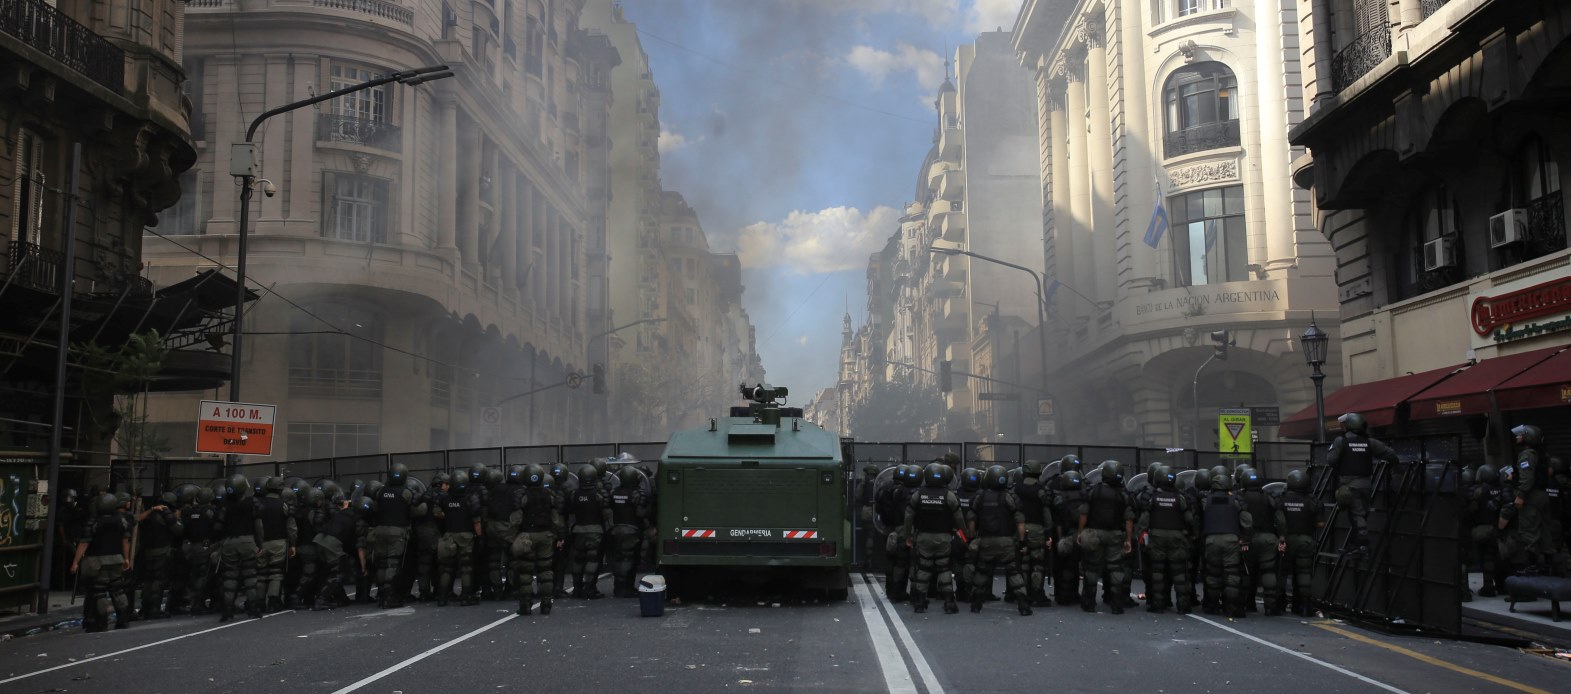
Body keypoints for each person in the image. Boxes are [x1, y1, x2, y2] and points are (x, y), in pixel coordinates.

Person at [1326, 412, 1398, 556]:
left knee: (1356, 516)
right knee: (1360, 515)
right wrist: (1396, 467)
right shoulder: (1369, 442)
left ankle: (1363, 546)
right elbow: (1390, 454)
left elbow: (1331, 460)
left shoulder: (1341, 441)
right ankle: (1355, 546)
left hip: (1350, 486)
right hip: (1366, 484)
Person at [968, 465, 1032, 616]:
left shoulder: (980, 497)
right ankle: (1023, 604)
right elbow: (1020, 521)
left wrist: (971, 538)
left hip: (986, 541)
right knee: (1014, 572)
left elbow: (971, 518)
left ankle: (976, 603)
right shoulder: (1010, 497)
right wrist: (1022, 541)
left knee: (982, 571)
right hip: (1006, 542)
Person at [903, 461, 966, 614]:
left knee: (924, 568)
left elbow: (908, 517)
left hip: (923, 537)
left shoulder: (918, 495)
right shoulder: (949, 496)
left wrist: (908, 536)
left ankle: (919, 602)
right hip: (943, 537)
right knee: (944, 568)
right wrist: (964, 534)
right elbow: (958, 518)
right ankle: (949, 602)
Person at [73, 493, 133, 631]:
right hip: (117, 559)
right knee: (118, 590)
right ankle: (123, 620)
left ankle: (101, 623)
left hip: (97, 560)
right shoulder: (121, 520)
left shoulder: (94, 521)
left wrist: (75, 562)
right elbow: (125, 540)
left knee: (99, 592)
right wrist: (126, 558)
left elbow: (84, 543)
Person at [1078, 461, 1133, 614]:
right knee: (1116, 569)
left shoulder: (1093, 491)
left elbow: (1084, 513)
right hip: (1115, 535)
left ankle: (1089, 603)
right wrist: (1128, 539)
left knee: (1092, 568)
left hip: (1094, 533)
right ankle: (1116, 604)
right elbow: (1129, 519)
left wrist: (1080, 533)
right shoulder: (1124, 495)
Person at [1138, 467, 1194, 614]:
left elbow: (1144, 520)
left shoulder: (1152, 497)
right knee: (1179, 573)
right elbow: (1189, 519)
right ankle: (1183, 605)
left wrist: (1142, 536)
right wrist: (1190, 534)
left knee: (1157, 572)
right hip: (1177, 537)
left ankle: (1157, 604)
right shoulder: (1179, 498)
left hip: (1157, 537)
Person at [1499, 424, 1553, 574]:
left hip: (1531, 496)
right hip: (1542, 495)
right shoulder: (1540, 454)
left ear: (1528, 437)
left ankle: (1532, 567)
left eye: (1519, 435)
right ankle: (1549, 566)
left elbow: (1527, 479)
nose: (1517, 437)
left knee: (1528, 530)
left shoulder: (1526, 454)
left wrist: (1520, 496)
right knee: (1545, 530)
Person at [512, 464, 563, 616]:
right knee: (545, 571)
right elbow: (556, 518)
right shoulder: (549, 494)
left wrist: (512, 537)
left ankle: (525, 605)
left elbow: (516, 519)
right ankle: (546, 603)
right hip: (546, 535)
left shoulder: (522, 494)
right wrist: (559, 536)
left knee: (525, 572)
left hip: (527, 535)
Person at [1201, 473, 1252, 618]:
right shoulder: (1236, 500)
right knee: (1232, 575)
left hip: (1211, 540)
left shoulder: (1206, 500)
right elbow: (1247, 521)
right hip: (1231, 539)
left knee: (1213, 574)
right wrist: (1244, 539)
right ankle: (1231, 608)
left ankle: (1213, 606)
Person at [1238, 469, 1285, 615]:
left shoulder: (1239, 497)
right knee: (1268, 571)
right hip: (1268, 538)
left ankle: (1247, 603)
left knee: (1246, 572)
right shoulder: (1270, 497)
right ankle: (1270, 606)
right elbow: (1280, 519)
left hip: (1247, 539)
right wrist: (1282, 537)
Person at [216, 475, 261, 621]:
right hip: (247, 541)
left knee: (230, 577)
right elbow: (258, 525)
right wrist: (260, 544)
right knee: (250, 576)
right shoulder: (252, 503)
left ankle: (227, 611)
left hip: (229, 542)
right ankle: (253, 609)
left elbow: (217, 526)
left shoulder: (224, 504)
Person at [1279, 469, 1324, 615]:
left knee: (1282, 572)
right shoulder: (1312, 501)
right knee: (1304, 572)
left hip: (1285, 539)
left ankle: (1279, 604)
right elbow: (1321, 524)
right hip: (1305, 540)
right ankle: (1304, 605)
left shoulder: (1281, 499)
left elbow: (1276, 519)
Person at [435, 470, 483, 606]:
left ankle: (442, 597)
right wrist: (479, 537)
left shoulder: (444, 498)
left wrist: (448, 516)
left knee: (447, 568)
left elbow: (436, 512)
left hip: (449, 536)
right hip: (466, 536)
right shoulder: (470, 498)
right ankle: (466, 596)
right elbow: (476, 521)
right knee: (466, 568)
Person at [371, 464, 415, 608]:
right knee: (393, 564)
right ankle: (390, 597)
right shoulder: (405, 493)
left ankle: (382, 595)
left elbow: (375, 509)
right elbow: (416, 511)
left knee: (382, 563)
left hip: (380, 530)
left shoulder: (381, 492)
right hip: (397, 531)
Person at [567, 463, 612, 599]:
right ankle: (590, 589)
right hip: (595, 531)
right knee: (592, 560)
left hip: (578, 530)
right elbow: (605, 514)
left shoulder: (574, 494)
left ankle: (577, 589)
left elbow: (570, 510)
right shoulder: (598, 495)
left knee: (578, 560)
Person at [877, 464, 921, 601]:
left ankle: (893, 591)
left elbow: (879, 508)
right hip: (909, 529)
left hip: (891, 529)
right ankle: (914, 594)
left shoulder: (887, 489)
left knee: (894, 561)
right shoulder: (916, 492)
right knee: (913, 563)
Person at [134, 492, 181, 619]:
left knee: (148, 580)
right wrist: (177, 518)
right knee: (158, 580)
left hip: (148, 550)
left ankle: (145, 608)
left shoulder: (149, 514)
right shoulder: (166, 513)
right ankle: (154, 608)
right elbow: (178, 530)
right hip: (162, 550)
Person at [255, 476, 297, 613]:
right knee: (276, 573)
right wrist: (293, 544)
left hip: (260, 543)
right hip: (278, 542)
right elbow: (291, 527)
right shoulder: (283, 504)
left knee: (261, 573)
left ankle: (259, 602)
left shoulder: (257, 503)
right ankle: (274, 600)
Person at [1016, 460, 1054, 607]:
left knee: (1023, 563)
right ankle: (1037, 594)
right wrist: (1048, 532)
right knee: (1037, 564)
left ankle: (1022, 594)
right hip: (1037, 529)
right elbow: (1047, 514)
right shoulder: (1040, 490)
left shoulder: (1016, 488)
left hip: (1020, 528)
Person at [607, 467, 649, 598]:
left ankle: (619, 587)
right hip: (631, 530)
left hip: (616, 529)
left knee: (619, 559)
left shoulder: (614, 492)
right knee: (629, 560)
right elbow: (640, 513)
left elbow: (609, 508)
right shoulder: (638, 493)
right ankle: (624, 588)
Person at [179, 486, 217, 615]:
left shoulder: (189, 511)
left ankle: (187, 601)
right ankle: (197, 603)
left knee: (192, 575)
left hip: (190, 547)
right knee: (203, 576)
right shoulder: (210, 511)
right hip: (204, 546)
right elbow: (216, 527)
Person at [483, 467, 519, 600]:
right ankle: (510, 589)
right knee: (512, 560)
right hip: (506, 528)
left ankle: (497, 590)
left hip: (492, 527)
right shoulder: (515, 490)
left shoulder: (490, 491)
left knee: (493, 561)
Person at [1052, 469, 1087, 606]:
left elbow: (1058, 522)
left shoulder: (1059, 499)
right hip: (1082, 534)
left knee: (1066, 566)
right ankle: (1079, 596)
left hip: (1066, 536)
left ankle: (1064, 596)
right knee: (1082, 566)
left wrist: (1060, 538)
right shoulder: (1084, 496)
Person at [411, 474, 445, 602]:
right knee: (439, 565)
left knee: (424, 564)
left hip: (420, 533)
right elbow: (439, 514)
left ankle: (424, 593)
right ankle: (439, 591)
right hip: (434, 532)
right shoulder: (440, 495)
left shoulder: (423, 495)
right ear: (442, 484)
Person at [952, 467, 982, 602]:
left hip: (958, 534)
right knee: (972, 563)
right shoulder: (980, 496)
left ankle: (960, 590)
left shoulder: (955, 495)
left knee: (958, 563)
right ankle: (970, 591)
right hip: (974, 535)